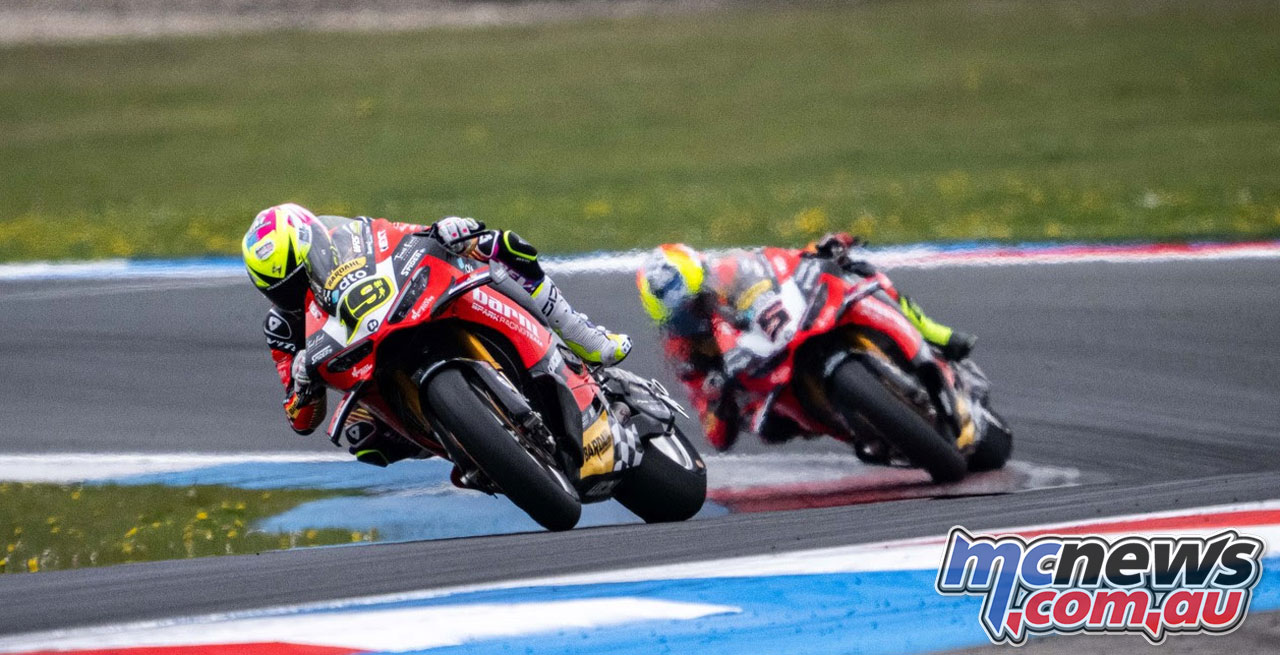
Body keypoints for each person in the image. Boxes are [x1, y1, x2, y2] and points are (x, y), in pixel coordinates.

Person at [241, 203, 631, 466]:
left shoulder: (353, 236)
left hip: (408, 308)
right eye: (282, 289)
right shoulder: (282, 328)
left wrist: (447, 229)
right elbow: (300, 419)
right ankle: (470, 447)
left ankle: (582, 337)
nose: (295, 291)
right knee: (363, 436)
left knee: (499, 247)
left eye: (301, 273)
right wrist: (303, 382)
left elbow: (406, 236)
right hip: (367, 370)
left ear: (316, 243)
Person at [635, 233, 975, 452]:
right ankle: (861, 427)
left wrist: (822, 248)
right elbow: (713, 431)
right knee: (771, 427)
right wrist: (718, 396)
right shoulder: (683, 348)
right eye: (681, 315)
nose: (693, 315)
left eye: (698, 301)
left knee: (861, 275)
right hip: (765, 374)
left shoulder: (731, 269)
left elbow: (784, 262)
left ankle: (935, 334)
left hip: (795, 322)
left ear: (705, 277)